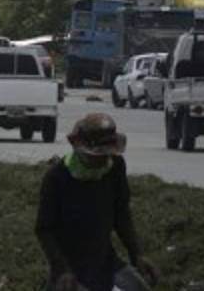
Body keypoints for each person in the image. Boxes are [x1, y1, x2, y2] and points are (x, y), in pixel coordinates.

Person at [35, 114, 160, 291]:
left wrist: (137, 254)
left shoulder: (115, 167)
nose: (102, 161)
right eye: (96, 156)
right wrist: (61, 269)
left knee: (139, 287)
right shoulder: (57, 178)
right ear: (79, 149)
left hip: (105, 261)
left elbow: (121, 214)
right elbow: (44, 229)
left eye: (106, 154)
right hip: (69, 266)